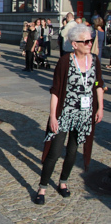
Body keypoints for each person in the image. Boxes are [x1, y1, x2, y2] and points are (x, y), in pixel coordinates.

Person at [34, 24, 104, 205]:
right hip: (65, 113)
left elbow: (98, 85)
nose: (89, 44)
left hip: (84, 115)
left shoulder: (94, 60)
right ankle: (42, 187)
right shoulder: (65, 61)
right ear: (75, 44)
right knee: (55, 152)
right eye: (86, 41)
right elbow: (56, 90)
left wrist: (100, 107)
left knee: (72, 151)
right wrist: (53, 116)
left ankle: (63, 182)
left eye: (91, 40)